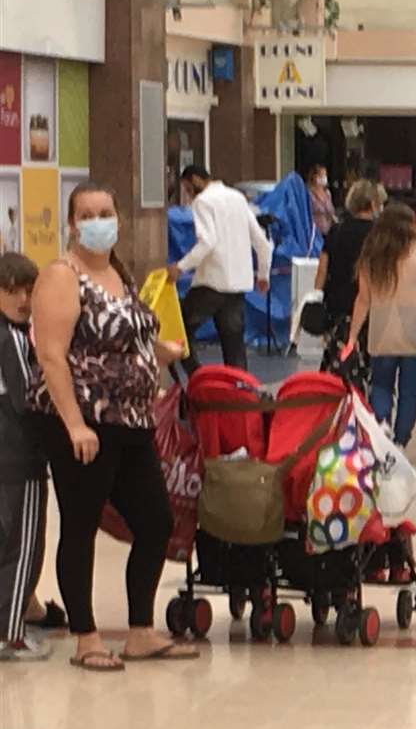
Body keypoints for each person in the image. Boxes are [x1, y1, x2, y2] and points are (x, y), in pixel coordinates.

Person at [30, 183, 195, 671]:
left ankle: (140, 632)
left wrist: (158, 353)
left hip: (133, 423)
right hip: (84, 424)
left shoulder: (118, 273)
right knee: (80, 526)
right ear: (72, 223)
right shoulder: (62, 276)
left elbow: (122, 337)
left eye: (105, 212)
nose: (98, 221)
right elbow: (51, 355)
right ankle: (86, 637)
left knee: (155, 522)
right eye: (87, 214)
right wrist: (75, 424)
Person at [345, 203, 416, 448]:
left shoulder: (371, 255)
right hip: (414, 332)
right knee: (409, 391)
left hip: (382, 332)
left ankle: (382, 425)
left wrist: (352, 336)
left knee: (381, 385)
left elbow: (363, 299)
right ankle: (402, 439)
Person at [169, 165, 271, 372]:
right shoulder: (237, 198)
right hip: (237, 286)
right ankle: (240, 393)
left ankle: (198, 377)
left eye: (188, 189)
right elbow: (261, 241)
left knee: (179, 331)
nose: (188, 196)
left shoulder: (203, 201)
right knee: (234, 346)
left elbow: (207, 242)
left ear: (196, 179)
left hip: (211, 284)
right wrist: (263, 274)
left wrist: (180, 267)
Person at [0, 253, 48, 661]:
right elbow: (28, 398)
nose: (21, 299)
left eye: (28, 290)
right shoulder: (13, 339)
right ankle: (11, 633)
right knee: (23, 546)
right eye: (11, 290)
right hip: (20, 458)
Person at [317, 181, 385, 373]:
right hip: (370, 306)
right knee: (367, 362)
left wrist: (317, 296)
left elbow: (323, 268)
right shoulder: (379, 234)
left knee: (337, 360)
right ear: (373, 203)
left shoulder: (336, 230)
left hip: (337, 304)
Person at [303, 163, 337, 236]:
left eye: (325, 175)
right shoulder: (309, 194)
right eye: (321, 175)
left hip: (328, 232)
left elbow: (331, 211)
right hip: (314, 232)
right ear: (315, 177)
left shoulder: (327, 193)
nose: (324, 177)